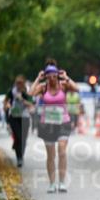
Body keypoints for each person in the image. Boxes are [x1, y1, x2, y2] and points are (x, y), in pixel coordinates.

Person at [29, 61, 79, 192]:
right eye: (49, 76)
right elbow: (30, 94)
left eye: (54, 75)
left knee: (62, 152)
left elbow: (77, 89)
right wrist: (38, 78)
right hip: (47, 124)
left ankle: (62, 182)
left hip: (63, 122)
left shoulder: (63, 85)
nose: (52, 78)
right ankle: (52, 183)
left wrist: (66, 77)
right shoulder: (43, 87)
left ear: (57, 75)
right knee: (50, 155)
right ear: (46, 76)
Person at [3, 75, 35, 167]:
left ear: (23, 84)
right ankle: (19, 158)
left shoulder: (27, 92)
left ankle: (19, 151)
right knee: (18, 137)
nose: (18, 85)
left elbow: (31, 104)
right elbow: (5, 101)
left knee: (23, 139)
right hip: (14, 117)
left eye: (20, 83)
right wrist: (6, 105)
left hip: (25, 117)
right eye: (17, 83)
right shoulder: (11, 91)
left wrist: (23, 100)